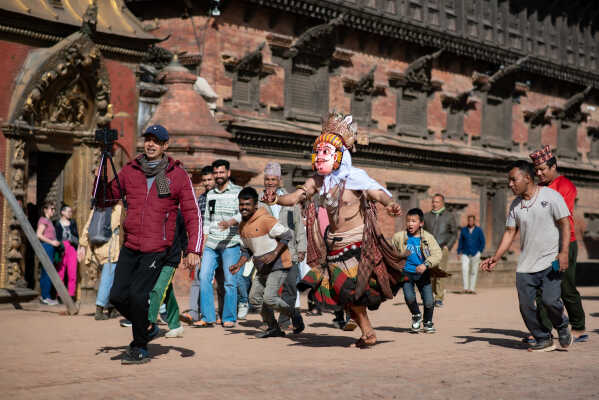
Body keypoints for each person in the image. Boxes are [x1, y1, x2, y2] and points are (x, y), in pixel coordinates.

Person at [262, 112, 404, 348]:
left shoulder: (356, 178)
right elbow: (297, 196)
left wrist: (390, 204)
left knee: (349, 291)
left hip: (358, 243)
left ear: (340, 155)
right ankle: (367, 332)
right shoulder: (319, 181)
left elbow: (376, 193)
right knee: (342, 294)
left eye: (325, 152)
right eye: (318, 152)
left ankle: (367, 331)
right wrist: (276, 200)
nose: (320, 157)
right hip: (334, 246)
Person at [102, 124, 202, 364]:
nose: (150, 144)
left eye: (156, 141)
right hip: (131, 244)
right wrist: (103, 161)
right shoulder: (131, 170)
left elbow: (191, 212)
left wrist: (194, 249)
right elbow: (107, 196)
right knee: (116, 296)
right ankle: (147, 325)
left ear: (165, 145)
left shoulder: (173, 175)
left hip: (157, 248)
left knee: (138, 296)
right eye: (147, 139)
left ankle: (140, 346)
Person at [480, 160, 573, 352]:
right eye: (509, 181)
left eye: (514, 180)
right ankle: (542, 338)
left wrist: (564, 253)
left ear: (528, 178)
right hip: (525, 266)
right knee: (525, 306)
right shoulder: (515, 205)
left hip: (551, 261)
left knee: (550, 300)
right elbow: (509, 233)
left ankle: (562, 325)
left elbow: (565, 223)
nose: (510, 184)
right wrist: (495, 257)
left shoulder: (551, 196)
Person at [530, 145, 587, 343]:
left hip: (564, 244)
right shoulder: (538, 188)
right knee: (540, 289)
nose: (538, 173)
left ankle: (578, 326)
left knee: (565, 287)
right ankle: (543, 330)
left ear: (553, 167)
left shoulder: (566, 186)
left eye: (542, 169)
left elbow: (558, 216)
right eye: (536, 170)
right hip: (542, 245)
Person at [229, 187, 303, 338]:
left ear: (256, 205)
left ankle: (293, 313)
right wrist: (239, 264)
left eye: (247, 204)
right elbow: (247, 250)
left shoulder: (265, 219)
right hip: (262, 267)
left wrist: (275, 253)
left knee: (269, 298)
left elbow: (287, 234)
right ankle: (273, 328)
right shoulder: (242, 226)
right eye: (241, 204)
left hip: (279, 265)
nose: (244, 208)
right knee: (254, 299)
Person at [260, 162, 307, 331]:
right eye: (267, 179)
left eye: (273, 179)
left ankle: (284, 322)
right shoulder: (259, 201)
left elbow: (299, 225)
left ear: (279, 180)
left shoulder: (290, 199)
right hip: (267, 250)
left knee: (289, 286)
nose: (270, 182)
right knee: (265, 288)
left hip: (289, 250)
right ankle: (269, 321)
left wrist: (302, 248)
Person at [197, 159, 241, 328]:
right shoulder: (210, 194)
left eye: (221, 172)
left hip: (231, 243)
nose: (218, 176)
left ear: (228, 173)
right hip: (212, 244)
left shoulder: (238, 192)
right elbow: (207, 220)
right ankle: (208, 316)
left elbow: (245, 212)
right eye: (216, 173)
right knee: (204, 277)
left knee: (230, 281)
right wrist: (203, 242)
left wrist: (231, 222)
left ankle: (229, 317)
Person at [180, 165, 220, 325]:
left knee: (222, 281)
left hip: (221, 242)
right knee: (198, 277)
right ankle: (194, 313)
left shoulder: (221, 197)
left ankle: (221, 313)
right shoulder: (201, 198)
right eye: (204, 180)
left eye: (209, 179)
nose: (206, 183)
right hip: (203, 243)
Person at [392, 208, 442, 333]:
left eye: (414, 221)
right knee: (409, 297)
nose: (410, 224)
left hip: (422, 272)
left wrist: (425, 265)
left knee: (429, 300)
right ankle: (416, 315)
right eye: (408, 221)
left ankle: (428, 322)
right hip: (406, 272)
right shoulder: (398, 237)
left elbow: (437, 254)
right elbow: (392, 253)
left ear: (421, 223)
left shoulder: (427, 238)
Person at [79, 202, 123, 320]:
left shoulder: (97, 208)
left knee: (111, 278)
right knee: (108, 279)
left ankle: (111, 309)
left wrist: (83, 245)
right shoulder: (118, 208)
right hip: (111, 249)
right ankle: (99, 309)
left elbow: (87, 228)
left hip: (98, 247)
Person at [148, 211, 187, 338]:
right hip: (153, 257)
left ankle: (149, 324)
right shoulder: (151, 210)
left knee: (157, 290)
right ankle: (175, 325)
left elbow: (183, 236)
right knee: (167, 290)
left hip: (171, 259)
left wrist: (186, 253)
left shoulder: (178, 214)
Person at [424, 193, 457, 307]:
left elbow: (454, 233)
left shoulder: (449, 216)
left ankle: (438, 298)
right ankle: (430, 295)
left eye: (437, 202)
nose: (434, 204)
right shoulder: (426, 216)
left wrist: (449, 245)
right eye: (433, 201)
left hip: (443, 248)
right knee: (429, 272)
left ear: (442, 203)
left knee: (440, 273)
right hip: (428, 249)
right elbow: (421, 232)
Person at [36, 202, 60, 306]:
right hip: (46, 246)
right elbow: (39, 235)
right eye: (51, 209)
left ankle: (46, 296)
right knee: (47, 271)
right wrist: (52, 242)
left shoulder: (49, 221)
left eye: (54, 209)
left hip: (50, 247)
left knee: (47, 271)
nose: (53, 211)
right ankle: (46, 297)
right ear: (45, 209)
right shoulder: (43, 220)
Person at [54, 204, 80, 300]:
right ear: (62, 212)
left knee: (72, 272)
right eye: (68, 211)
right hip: (61, 248)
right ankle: (59, 295)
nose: (70, 213)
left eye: (71, 212)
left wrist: (79, 248)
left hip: (72, 247)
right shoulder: (57, 223)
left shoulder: (73, 223)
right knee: (61, 271)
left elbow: (77, 236)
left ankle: (71, 294)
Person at [457, 215, 485, 294]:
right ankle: (465, 288)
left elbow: (482, 241)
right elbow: (460, 242)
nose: (470, 222)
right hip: (465, 253)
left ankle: (472, 289)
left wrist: (480, 251)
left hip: (475, 253)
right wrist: (459, 252)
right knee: (465, 270)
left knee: (474, 271)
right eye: (469, 220)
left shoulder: (479, 230)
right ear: (468, 221)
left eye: (472, 220)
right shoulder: (464, 230)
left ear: (474, 221)